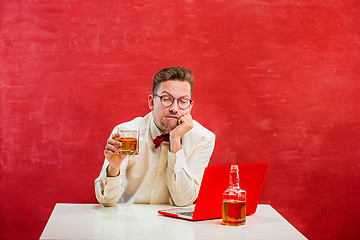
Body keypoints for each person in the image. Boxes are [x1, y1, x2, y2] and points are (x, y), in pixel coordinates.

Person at [94, 66, 216, 207]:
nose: (174, 108)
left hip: (174, 224)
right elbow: (106, 201)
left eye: (182, 101)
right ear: (151, 102)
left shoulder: (203, 139)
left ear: (190, 106)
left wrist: (175, 141)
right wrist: (114, 167)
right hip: (127, 222)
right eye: (166, 98)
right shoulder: (126, 132)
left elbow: (184, 200)